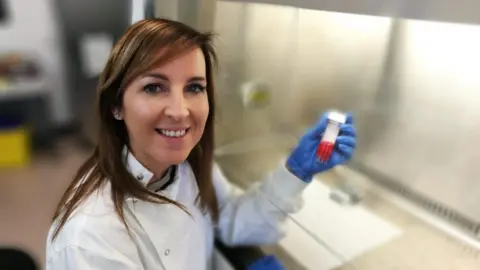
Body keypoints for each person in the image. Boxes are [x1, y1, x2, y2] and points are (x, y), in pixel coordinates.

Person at [46, 18, 357, 270]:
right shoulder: (91, 239)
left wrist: (296, 170)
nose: (181, 111)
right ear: (116, 105)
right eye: (155, 87)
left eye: (194, 87)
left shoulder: (187, 165)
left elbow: (234, 223)